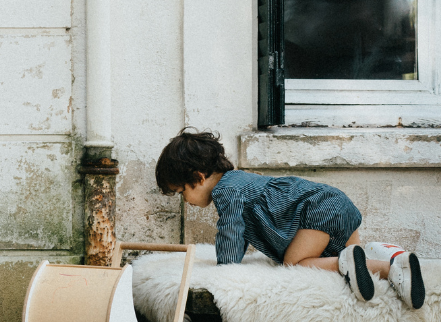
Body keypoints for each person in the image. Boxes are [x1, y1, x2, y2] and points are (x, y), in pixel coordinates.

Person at [156, 129, 425, 309]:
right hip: (336, 203)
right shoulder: (243, 180)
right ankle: (393, 264)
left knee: (295, 263)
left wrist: (225, 269)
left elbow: (231, 232)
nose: (186, 201)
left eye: (182, 193)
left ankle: (353, 262)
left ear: (198, 178)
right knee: (351, 259)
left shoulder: (227, 191)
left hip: (317, 209)